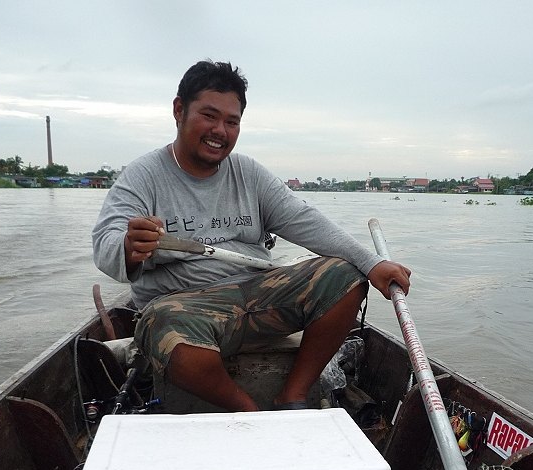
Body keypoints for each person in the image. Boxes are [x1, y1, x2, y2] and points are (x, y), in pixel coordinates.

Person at [93, 60, 411, 411]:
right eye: (209, 116)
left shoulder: (248, 173)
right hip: (183, 307)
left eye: (232, 122)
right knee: (163, 326)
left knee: (346, 278)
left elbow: (306, 221)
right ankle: (248, 410)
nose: (220, 131)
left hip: (257, 298)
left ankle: (292, 395)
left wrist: (372, 263)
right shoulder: (144, 175)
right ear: (179, 110)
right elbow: (106, 246)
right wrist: (128, 246)